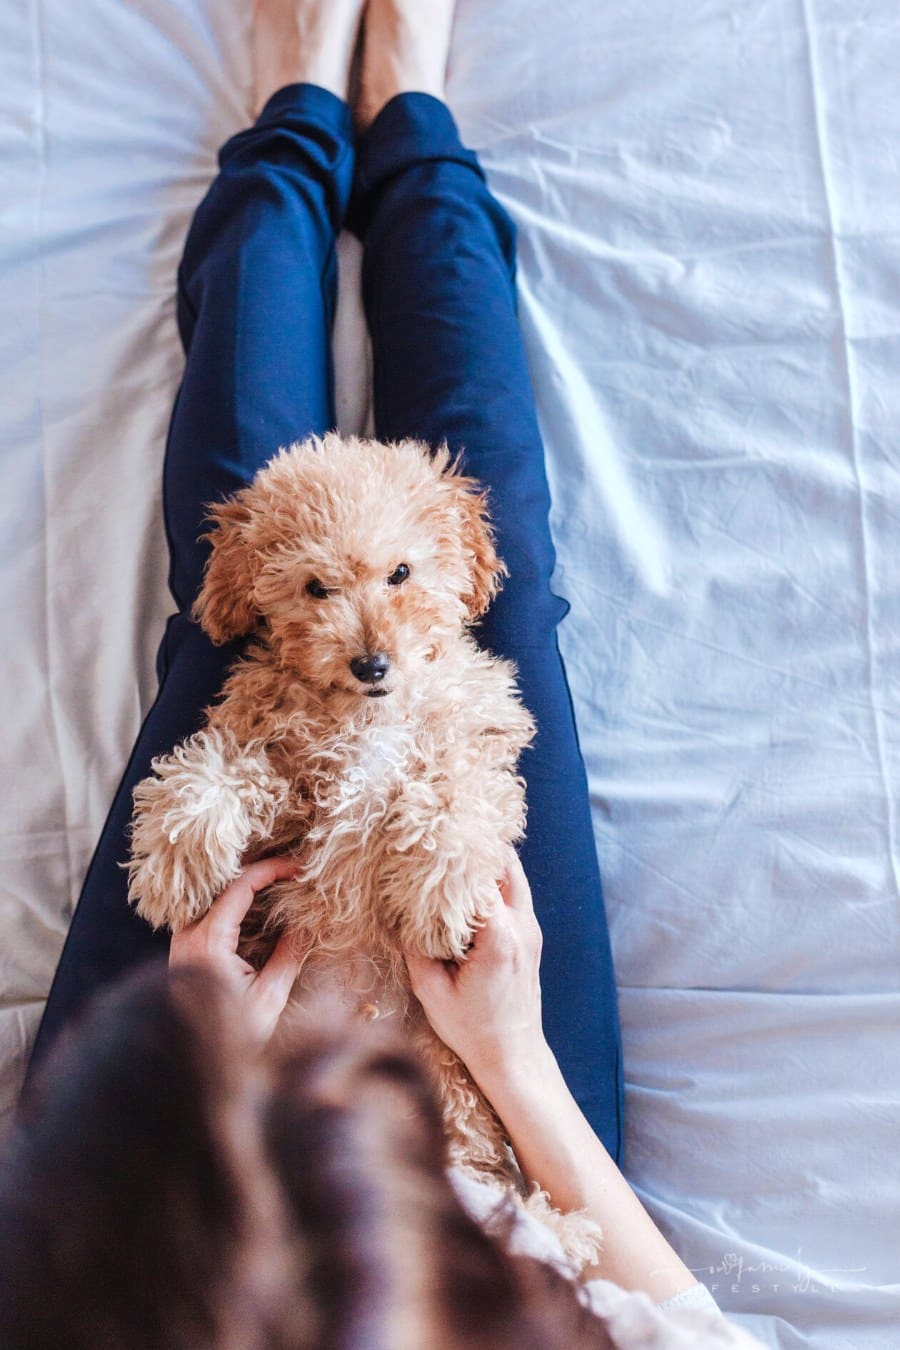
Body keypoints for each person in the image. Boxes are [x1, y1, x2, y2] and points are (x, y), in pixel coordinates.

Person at [27, 0, 623, 1163]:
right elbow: (639, 1284)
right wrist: (512, 1062)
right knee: (501, 599)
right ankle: (412, 127)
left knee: (235, 597)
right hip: (509, 1181)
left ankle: (295, 124)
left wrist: (207, 1077)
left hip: (170, 1170)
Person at [0, 854, 765, 1350]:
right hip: (517, 1152)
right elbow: (692, 1330)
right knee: (492, 644)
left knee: (234, 654)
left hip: (148, 1161)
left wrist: (201, 1065)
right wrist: (516, 1058)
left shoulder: (64, 1269)